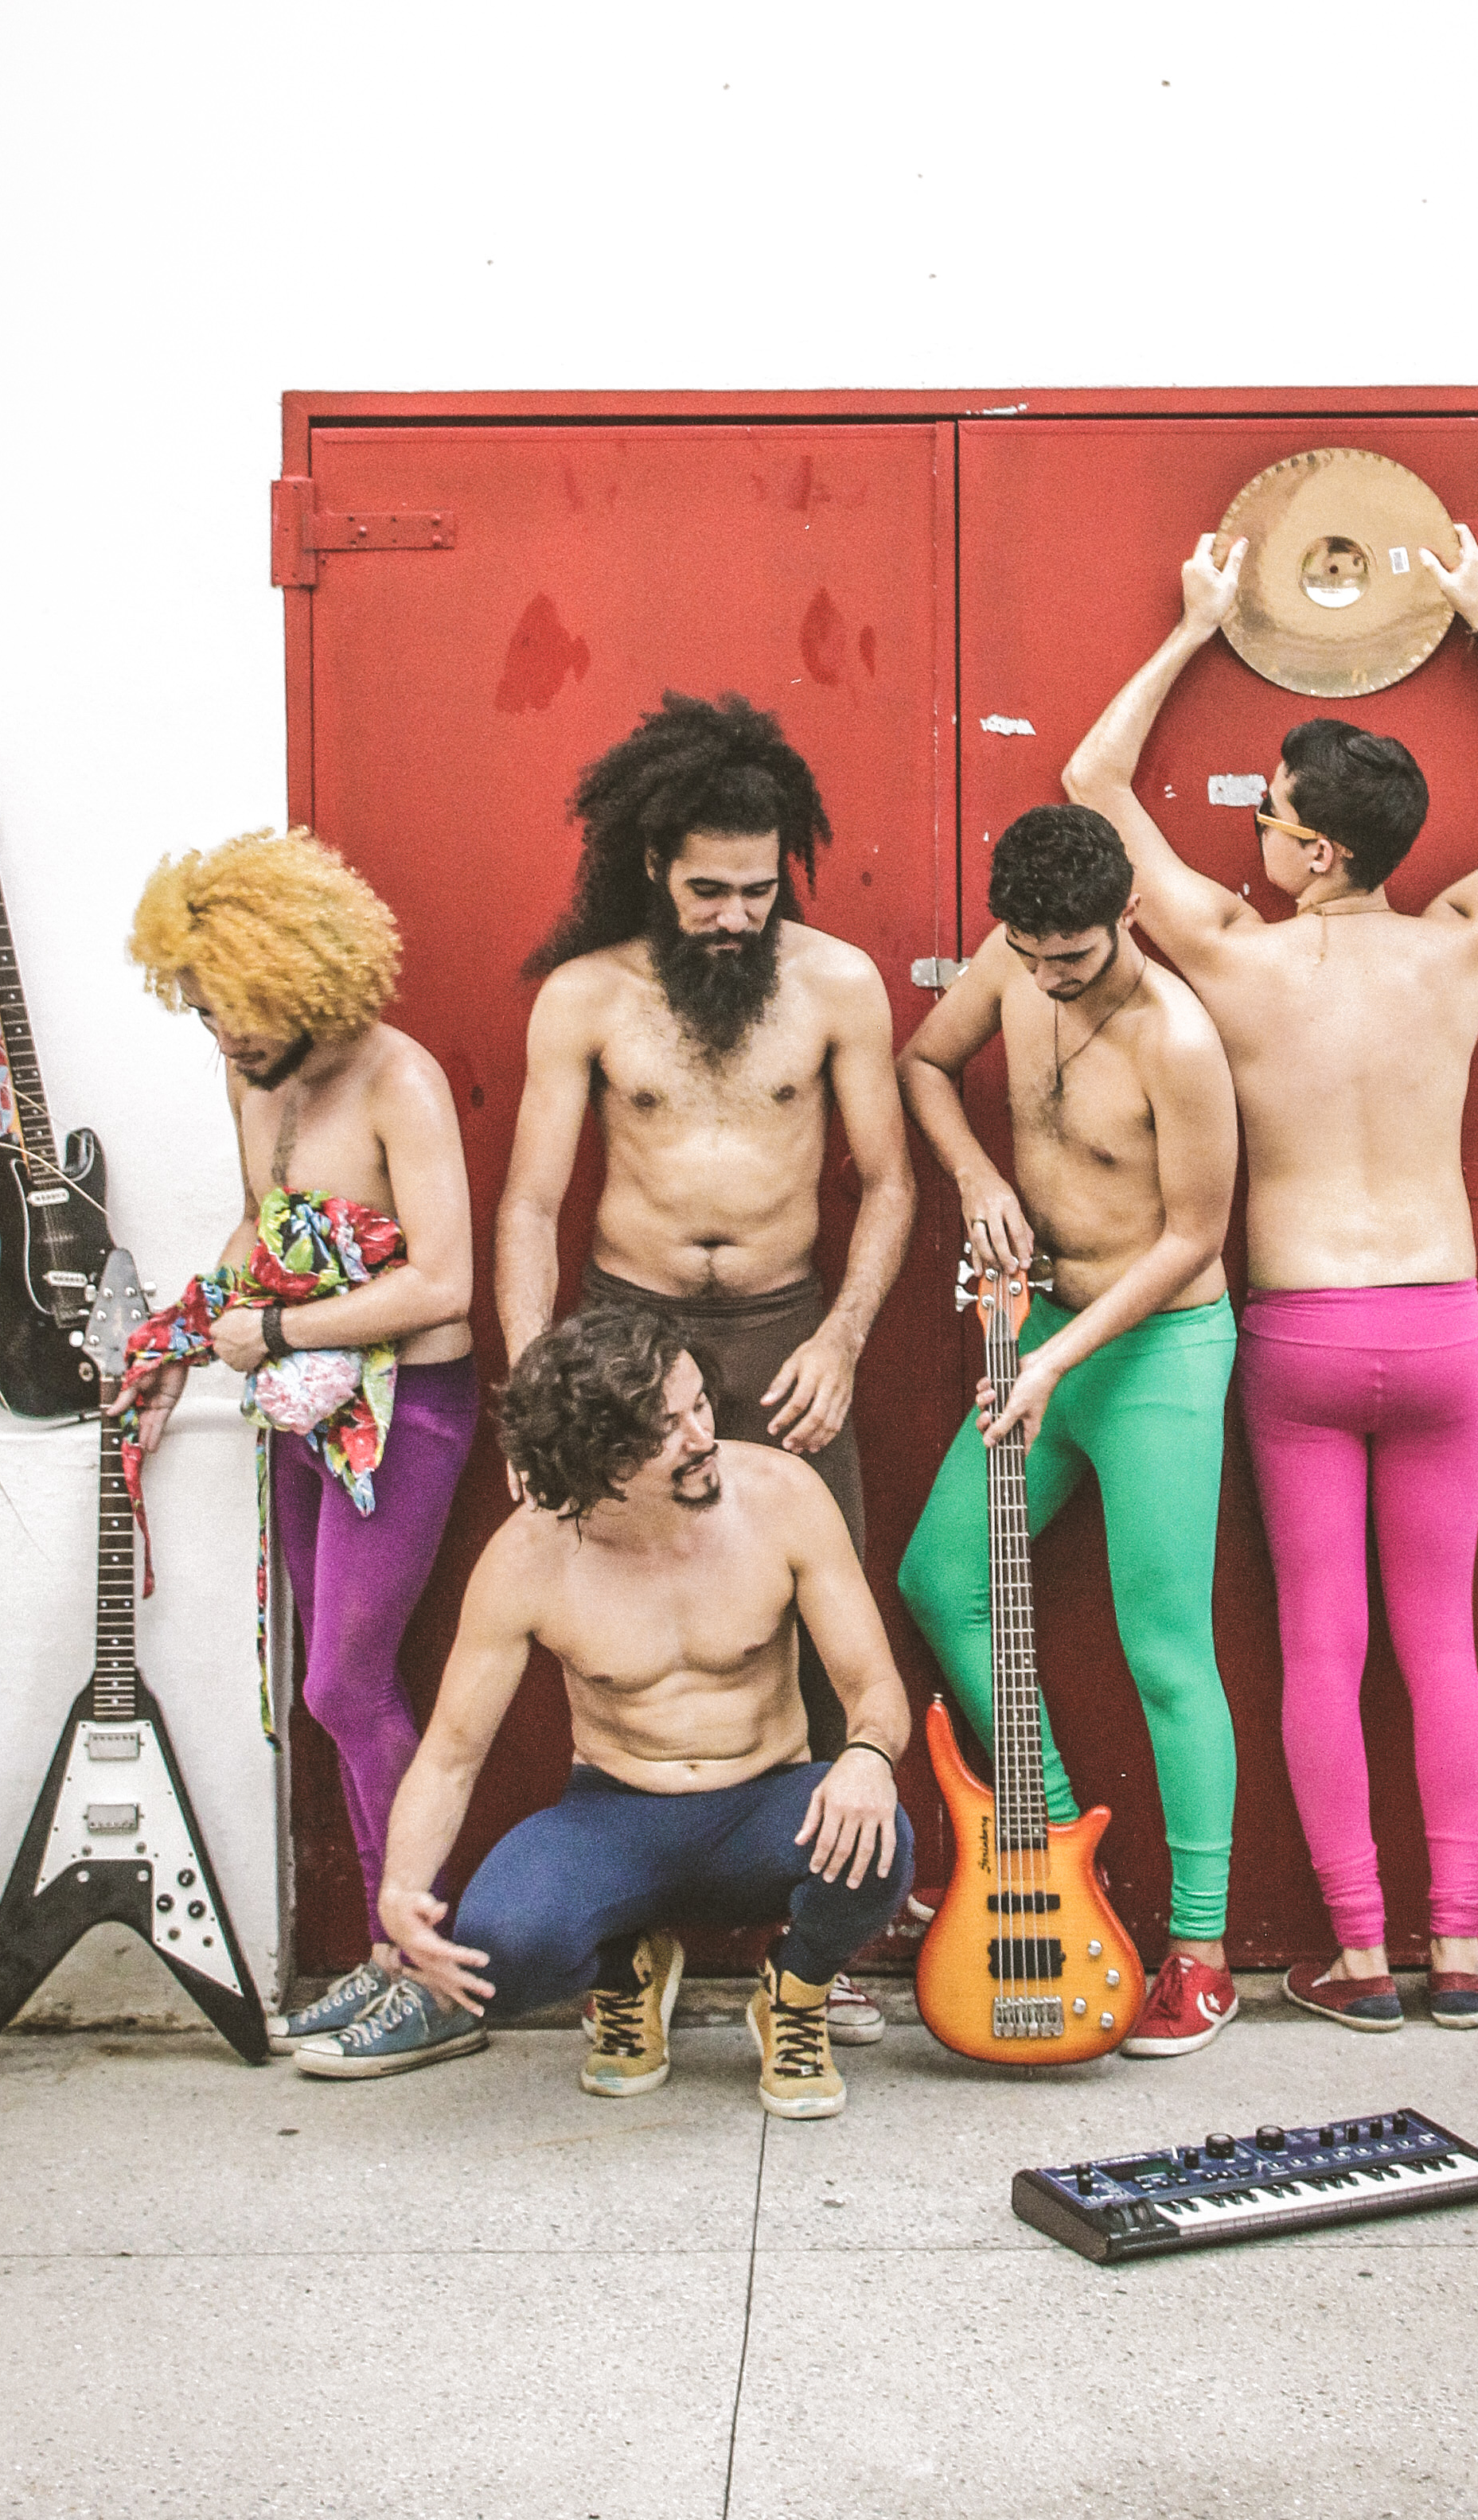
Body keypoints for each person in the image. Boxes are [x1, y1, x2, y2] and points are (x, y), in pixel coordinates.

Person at [1065, 527, 1478, 2030]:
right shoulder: (1459, 946)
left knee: (1324, 1643)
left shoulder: (1238, 960)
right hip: (1439, 1327)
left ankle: (1361, 1961)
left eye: (1272, 815)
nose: (1256, 830)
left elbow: (1092, 781)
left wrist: (1193, 626)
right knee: (1438, 1644)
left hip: (1304, 1333)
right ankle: (1462, 1954)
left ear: (1317, 851)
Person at [493, 689, 917, 2041]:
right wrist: (535, 1399)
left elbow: (891, 1182)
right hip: (628, 1336)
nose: (735, 915)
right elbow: (526, 1206)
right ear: (653, 867)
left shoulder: (838, 985)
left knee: (819, 1633)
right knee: (614, 1614)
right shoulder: (586, 997)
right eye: (707, 891)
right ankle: (634, 1929)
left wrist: (842, 1339)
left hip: (788, 1335)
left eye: (756, 889)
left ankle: (813, 1957)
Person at [291, 1305, 915, 2115]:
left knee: (879, 1843)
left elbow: (874, 1688)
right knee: (496, 1959)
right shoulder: (528, 1559)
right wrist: (401, 1890)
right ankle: (627, 1976)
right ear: (601, 1459)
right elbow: (450, 1757)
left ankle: (794, 1994)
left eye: (700, 1405)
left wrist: (867, 1758)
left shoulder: (781, 1495)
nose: (703, 1437)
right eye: (667, 1429)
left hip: (766, 1807)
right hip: (617, 1815)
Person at [115, 828, 478, 2053]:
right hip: (307, 1414)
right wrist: (177, 1345)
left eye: (238, 1007)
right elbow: (258, 1225)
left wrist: (270, 1330)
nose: (222, 1035)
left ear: (302, 975)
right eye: (202, 1010)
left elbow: (444, 1284)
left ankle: (429, 1976)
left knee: (343, 1683)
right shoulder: (251, 1078)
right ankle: (390, 1958)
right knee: (333, 1689)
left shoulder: (398, 1081)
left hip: (408, 1410)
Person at [895, 803, 1244, 2054]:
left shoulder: (1176, 1038)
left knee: (1166, 1649)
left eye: (1074, 957)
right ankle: (1042, 1841)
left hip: (1156, 1353)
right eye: (1032, 954)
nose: (1048, 979)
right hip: (1039, 1333)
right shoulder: (1015, 960)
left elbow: (1195, 1236)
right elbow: (924, 1064)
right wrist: (976, 1174)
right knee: (939, 1578)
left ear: (1127, 916)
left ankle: (1200, 1954)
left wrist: (1055, 1357)